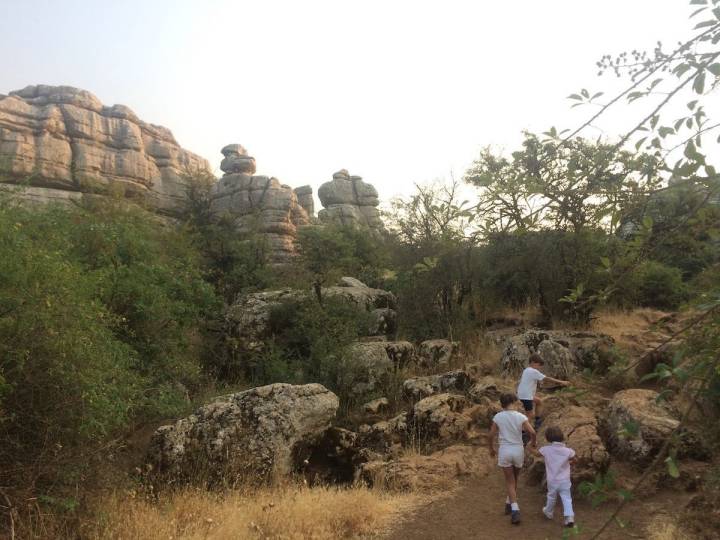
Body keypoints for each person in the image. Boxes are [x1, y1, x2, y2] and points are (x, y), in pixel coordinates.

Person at [489, 392, 536, 526]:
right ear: (514, 402)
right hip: (518, 449)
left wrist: (491, 449)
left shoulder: (498, 417)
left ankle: (513, 508)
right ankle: (509, 504)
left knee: (510, 481)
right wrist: (533, 443)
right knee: (515, 479)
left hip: (505, 450)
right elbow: (532, 432)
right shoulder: (520, 416)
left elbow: (490, 435)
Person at [535, 425, 576, 528]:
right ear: (562, 437)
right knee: (567, 498)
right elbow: (574, 459)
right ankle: (569, 517)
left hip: (552, 480)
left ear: (548, 438)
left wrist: (530, 447)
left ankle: (548, 512)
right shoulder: (568, 451)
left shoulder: (546, 450)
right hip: (565, 480)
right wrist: (570, 462)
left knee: (551, 496)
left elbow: (536, 454)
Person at [517, 353, 569, 429]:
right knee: (530, 415)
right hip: (526, 396)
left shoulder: (526, 370)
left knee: (539, 402)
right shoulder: (533, 371)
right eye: (538, 365)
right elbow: (547, 378)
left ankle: (537, 421)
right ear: (533, 362)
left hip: (523, 394)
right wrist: (561, 382)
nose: (538, 368)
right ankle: (523, 431)